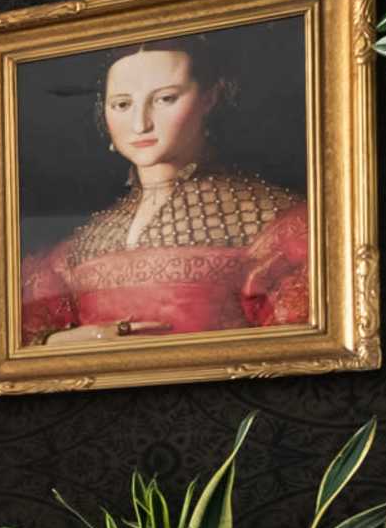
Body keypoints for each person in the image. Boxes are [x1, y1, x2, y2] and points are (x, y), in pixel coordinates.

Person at [17, 36, 308, 344]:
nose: (140, 124)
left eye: (165, 99)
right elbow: (21, 347)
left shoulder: (277, 220)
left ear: (209, 98)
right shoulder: (80, 243)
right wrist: (62, 343)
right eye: (122, 104)